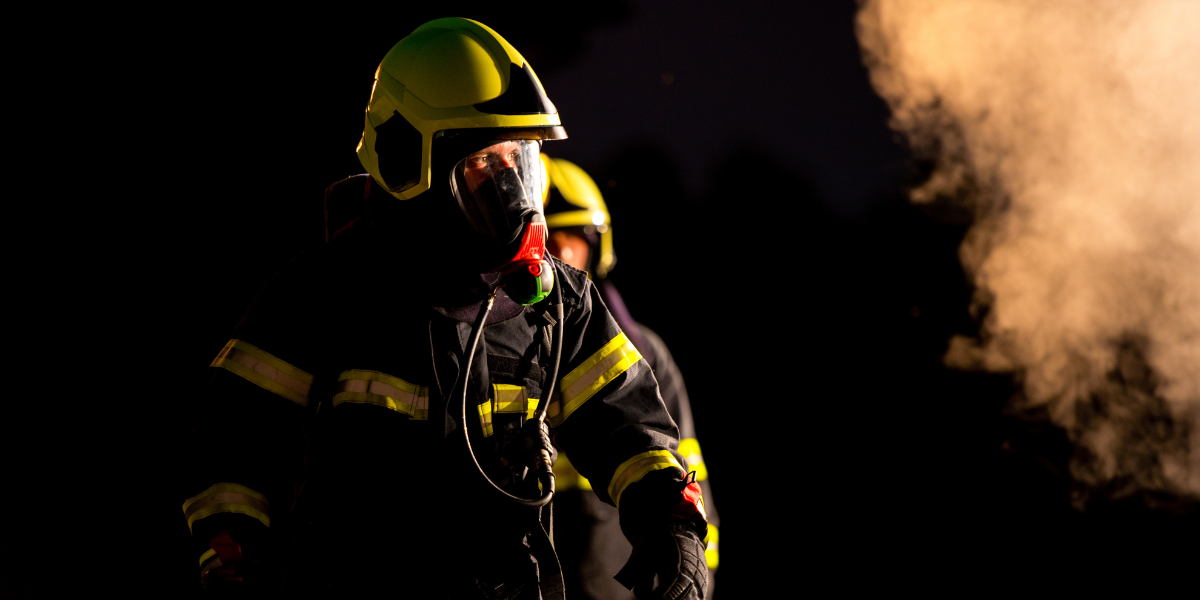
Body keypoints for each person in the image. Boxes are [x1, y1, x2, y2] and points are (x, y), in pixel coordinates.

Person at [180, 17, 709, 599]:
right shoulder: (323, 294)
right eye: (485, 162)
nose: (511, 189)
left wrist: (672, 526)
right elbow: (233, 438)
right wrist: (231, 558)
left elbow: (629, 428)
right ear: (411, 166)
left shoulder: (560, 304)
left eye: (520, 160)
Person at [539, 156, 719, 599]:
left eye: (573, 243)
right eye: (549, 242)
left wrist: (696, 574)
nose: (562, 259)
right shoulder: (494, 344)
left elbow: (686, 469)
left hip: (618, 582)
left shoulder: (643, 351)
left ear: (597, 248)